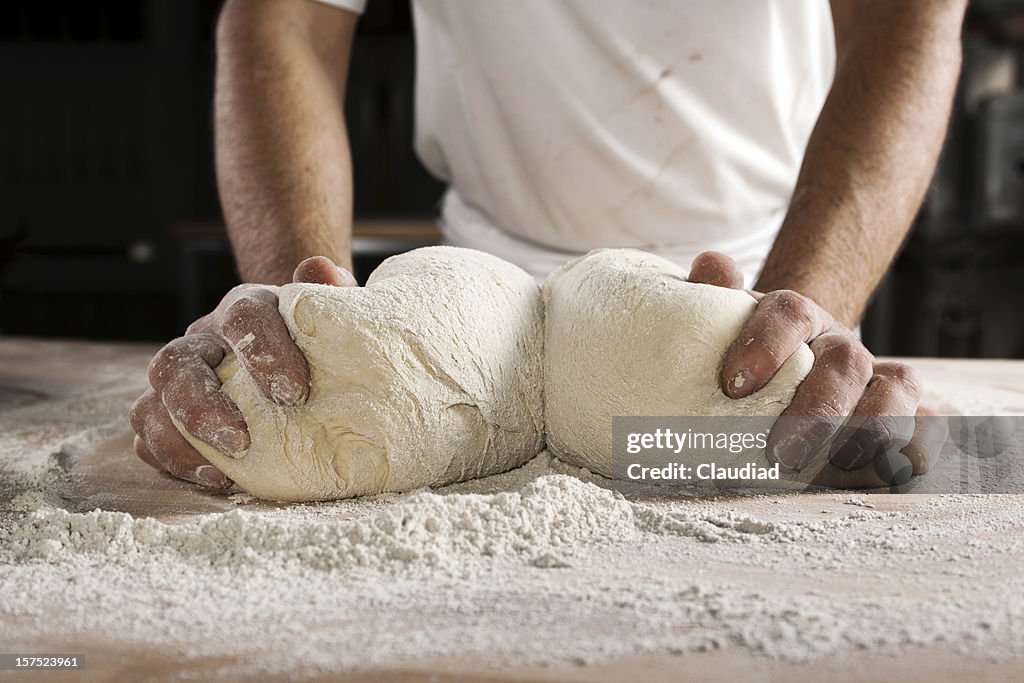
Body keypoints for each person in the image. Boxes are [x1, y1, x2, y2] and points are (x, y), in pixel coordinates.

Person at [129, 0, 966, 489]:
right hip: (459, 315)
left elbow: (906, 20)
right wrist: (303, 326)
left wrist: (800, 331)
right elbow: (288, 22)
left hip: (752, 283)